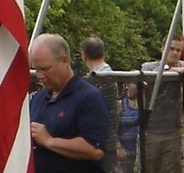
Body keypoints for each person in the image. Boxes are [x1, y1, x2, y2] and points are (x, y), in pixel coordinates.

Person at [29, 33, 109, 172]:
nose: (40, 76)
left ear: (64, 61)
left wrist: (49, 141)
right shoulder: (38, 99)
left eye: (45, 69)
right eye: (36, 69)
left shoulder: (89, 97)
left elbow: (94, 149)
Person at [141, 35, 184, 172]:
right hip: (151, 131)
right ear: (162, 48)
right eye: (171, 49)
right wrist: (167, 70)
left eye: (178, 50)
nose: (175, 53)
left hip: (173, 131)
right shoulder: (149, 66)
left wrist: (174, 71)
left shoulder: (183, 66)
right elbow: (145, 79)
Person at [81, 37, 119, 171]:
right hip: (106, 139)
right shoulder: (107, 74)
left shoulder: (98, 78)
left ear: (84, 56)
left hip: (101, 141)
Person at [116, 82, 139, 173]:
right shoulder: (120, 104)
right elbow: (114, 128)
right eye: (125, 85)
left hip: (142, 151)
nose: (126, 88)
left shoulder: (145, 103)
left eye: (129, 85)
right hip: (125, 152)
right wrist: (118, 148)